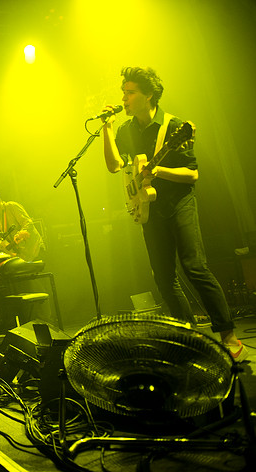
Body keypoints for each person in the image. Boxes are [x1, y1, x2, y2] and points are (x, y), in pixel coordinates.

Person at [101, 66, 248, 362]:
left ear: (149, 95)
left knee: (195, 266)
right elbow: (115, 165)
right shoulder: (127, 130)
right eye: (123, 92)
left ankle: (229, 335)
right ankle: (188, 336)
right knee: (164, 278)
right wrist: (106, 127)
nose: (124, 98)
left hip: (180, 202)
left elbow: (192, 175)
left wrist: (159, 170)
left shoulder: (174, 126)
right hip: (149, 207)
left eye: (130, 92)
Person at [0, 189, 45, 262]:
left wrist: (22, 233)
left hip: (34, 250)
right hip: (23, 257)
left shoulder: (11, 206)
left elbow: (28, 223)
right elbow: (6, 239)